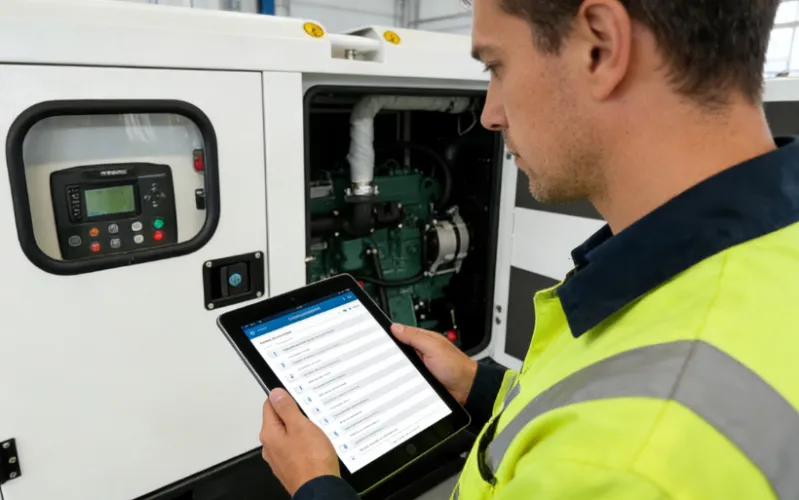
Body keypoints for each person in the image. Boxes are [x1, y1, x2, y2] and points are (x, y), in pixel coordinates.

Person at [258, 0, 799, 498]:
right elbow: (597, 395)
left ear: (600, 47)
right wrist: (482, 387)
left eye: (496, 67)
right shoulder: (771, 251)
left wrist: (316, 485)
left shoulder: (624, 467)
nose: (489, 114)